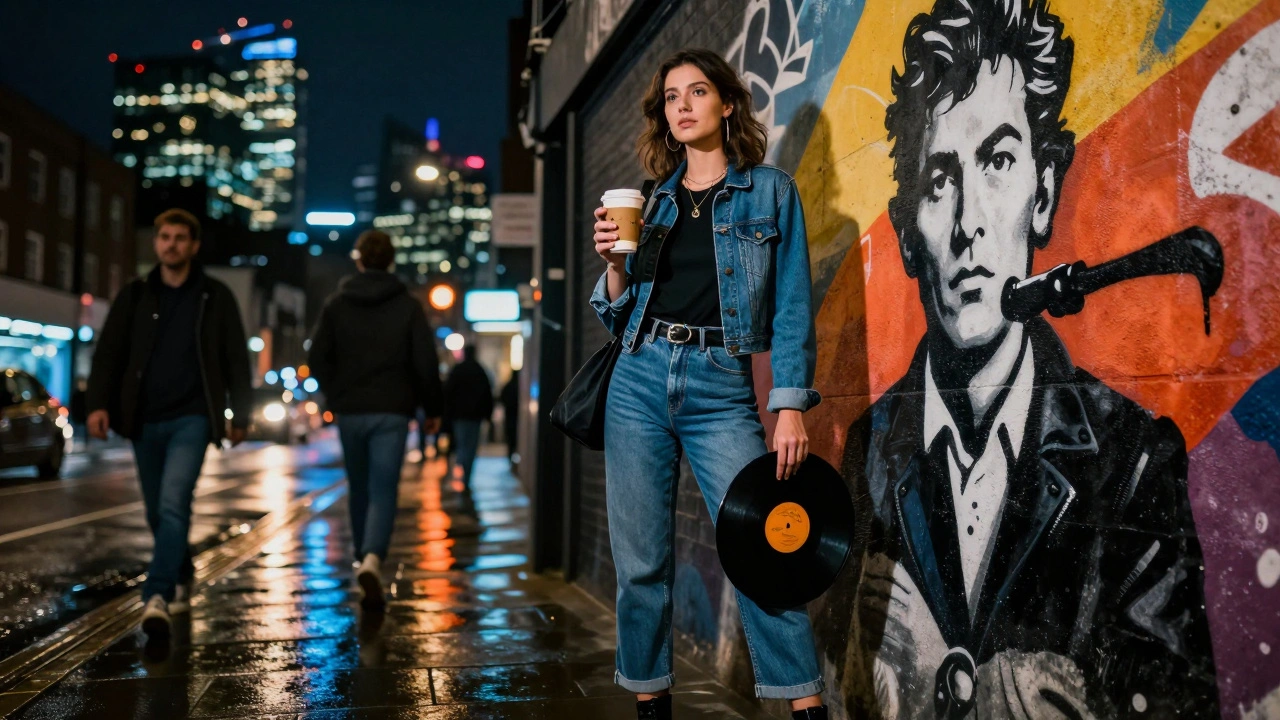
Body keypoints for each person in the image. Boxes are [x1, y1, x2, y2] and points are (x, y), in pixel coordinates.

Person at [819, 0, 1220, 717]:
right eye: (939, 178)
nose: (971, 221)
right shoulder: (870, 450)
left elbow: (1177, 701)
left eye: (998, 160)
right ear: (910, 233)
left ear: (1042, 194)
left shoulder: (1132, 460)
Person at [590, 48, 828, 720]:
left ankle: (806, 706)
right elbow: (616, 309)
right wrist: (613, 264)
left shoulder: (772, 191)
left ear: (727, 104)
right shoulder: (653, 202)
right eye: (671, 97)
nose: (683, 105)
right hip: (638, 377)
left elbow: (789, 308)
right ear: (663, 115)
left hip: (721, 385)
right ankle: (651, 705)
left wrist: (788, 406)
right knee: (640, 567)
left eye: (698, 92)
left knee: (761, 549)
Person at [86, 208, 251, 641]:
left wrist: (241, 413)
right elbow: (109, 353)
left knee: (175, 502)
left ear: (194, 246)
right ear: (157, 243)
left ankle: (157, 595)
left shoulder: (213, 296)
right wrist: (98, 405)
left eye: (180, 237)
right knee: (157, 509)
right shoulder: (136, 295)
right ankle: (178, 563)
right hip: (143, 418)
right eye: (164, 237)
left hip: (192, 418)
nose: (171, 244)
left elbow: (236, 357)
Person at [307, 230, 444, 609]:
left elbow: (317, 357)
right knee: (384, 488)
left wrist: (334, 392)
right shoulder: (408, 306)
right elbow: (425, 363)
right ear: (391, 261)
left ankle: (360, 554)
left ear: (360, 260)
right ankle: (372, 557)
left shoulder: (337, 304)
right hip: (392, 410)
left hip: (351, 410)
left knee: (360, 485)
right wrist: (431, 410)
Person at [442, 345, 493, 490]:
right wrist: (487, 415)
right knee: (470, 446)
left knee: (462, 444)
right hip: (475, 416)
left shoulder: (458, 370)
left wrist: (448, 414)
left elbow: (448, 393)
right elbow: (487, 394)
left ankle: (463, 469)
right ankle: (467, 476)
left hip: (459, 415)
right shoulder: (479, 370)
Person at [500, 368, 520, 468]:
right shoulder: (519, 387)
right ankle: (514, 458)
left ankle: (510, 457)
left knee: (510, 438)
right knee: (515, 438)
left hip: (509, 416)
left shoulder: (508, 386)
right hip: (517, 416)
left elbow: (502, 398)